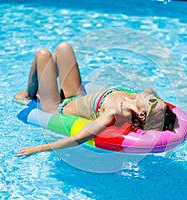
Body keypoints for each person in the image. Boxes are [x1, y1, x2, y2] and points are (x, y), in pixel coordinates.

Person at [15, 42, 176, 156]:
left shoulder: (116, 114)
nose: (153, 98)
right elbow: (152, 92)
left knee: (43, 55)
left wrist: (37, 149)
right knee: (64, 48)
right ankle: (46, 82)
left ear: (142, 115)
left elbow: (78, 139)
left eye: (154, 103)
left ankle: (29, 95)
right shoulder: (139, 98)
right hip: (76, 95)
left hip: (57, 107)